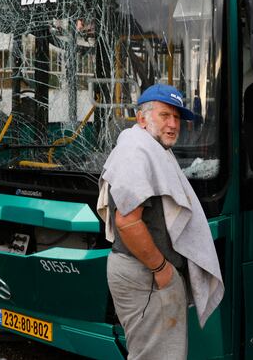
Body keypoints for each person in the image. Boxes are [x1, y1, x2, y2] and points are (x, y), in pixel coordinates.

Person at [97, 84, 224, 360]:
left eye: (177, 118)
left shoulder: (150, 148)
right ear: (142, 118)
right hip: (147, 274)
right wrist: (162, 269)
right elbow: (128, 222)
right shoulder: (136, 152)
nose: (172, 124)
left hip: (149, 274)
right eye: (165, 115)